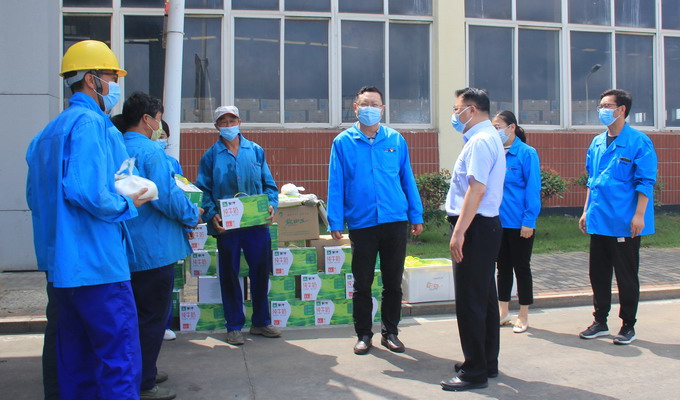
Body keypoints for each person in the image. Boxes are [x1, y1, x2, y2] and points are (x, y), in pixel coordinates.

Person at [26, 39, 151, 399]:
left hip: (62, 268)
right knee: (117, 359)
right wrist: (128, 203)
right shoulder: (92, 124)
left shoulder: (47, 133)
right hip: (98, 265)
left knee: (75, 362)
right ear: (92, 79)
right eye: (112, 77)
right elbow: (89, 192)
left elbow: (35, 198)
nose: (115, 85)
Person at [327, 85, 424, 356]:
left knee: (393, 282)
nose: (370, 108)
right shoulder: (343, 142)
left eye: (375, 104)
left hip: (394, 219)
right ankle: (363, 334)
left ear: (382, 109)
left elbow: (407, 178)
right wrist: (335, 220)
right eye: (365, 104)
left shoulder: (395, 140)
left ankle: (390, 332)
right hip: (362, 222)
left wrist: (415, 214)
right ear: (355, 108)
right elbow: (336, 183)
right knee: (362, 283)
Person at [119, 92, 201, 399]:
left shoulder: (115, 146)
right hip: (154, 249)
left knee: (130, 317)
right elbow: (167, 196)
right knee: (152, 317)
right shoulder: (151, 152)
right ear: (147, 119)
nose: (159, 126)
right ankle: (143, 381)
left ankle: (140, 370)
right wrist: (192, 214)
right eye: (158, 119)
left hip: (124, 248)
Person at [578, 89, 657, 345]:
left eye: (606, 106)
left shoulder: (639, 141)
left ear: (621, 110)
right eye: (600, 106)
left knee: (626, 276)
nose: (601, 110)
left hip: (624, 221)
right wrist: (585, 211)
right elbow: (592, 180)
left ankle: (628, 325)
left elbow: (645, 181)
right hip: (599, 219)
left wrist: (639, 215)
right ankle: (600, 321)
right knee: (598, 275)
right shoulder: (597, 142)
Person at [196, 105, 280, 345]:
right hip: (228, 226)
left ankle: (261, 322)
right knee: (230, 274)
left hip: (256, 224)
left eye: (231, 120)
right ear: (216, 126)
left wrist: (271, 204)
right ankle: (234, 326)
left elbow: (269, 185)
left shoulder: (255, 151)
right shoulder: (211, 156)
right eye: (223, 122)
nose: (228, 125)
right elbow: (203, 189)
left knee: (260, 272)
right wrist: (212, 214)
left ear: (239, 122)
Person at [440, 88, 505, 392]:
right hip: (484, 226)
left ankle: (474, 371)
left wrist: (459, 232)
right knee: (485, 299)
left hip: (475, 227)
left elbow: (476, 189)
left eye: (457, 109)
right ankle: (486, 361)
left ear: (472, 110)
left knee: (470, 302)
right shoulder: (489, 137)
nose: (455, 115)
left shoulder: (480, 141)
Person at [492, 111, 541, 334]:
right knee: (502, 268)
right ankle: (503, 312)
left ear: (511, 127)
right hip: (497, 222)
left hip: (520, 223)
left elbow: (533, 188)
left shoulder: (527, 153)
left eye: (498, 126)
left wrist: (529, 220)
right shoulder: (495, 152)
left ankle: (523, 314)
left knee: (521, 268)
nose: (495, 131)